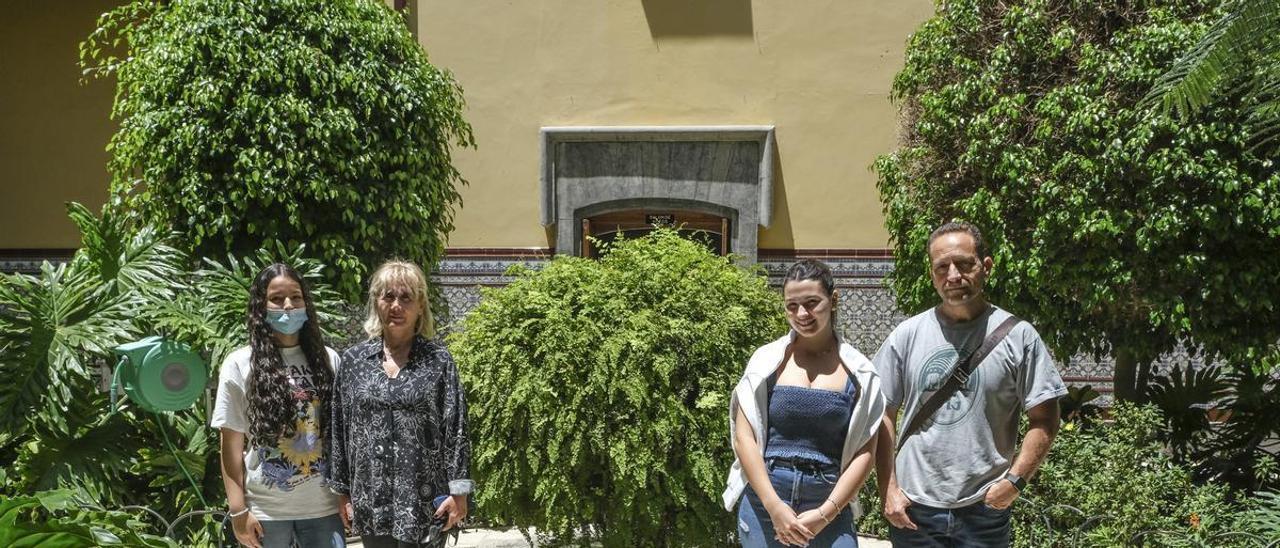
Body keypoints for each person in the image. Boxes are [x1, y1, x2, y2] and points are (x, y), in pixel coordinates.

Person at [872, 221, 1067, 547]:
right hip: (914, 510)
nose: (953, 276)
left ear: (985, 266)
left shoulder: (1018, 337)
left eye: (964, 264)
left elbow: (1045, 418)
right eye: (942, 267)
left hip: (983, 512)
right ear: (932, 274)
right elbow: (881, 416)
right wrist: (888, 489)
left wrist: (1015, 483)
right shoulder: (907, 336)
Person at [724, 259, 886, 547]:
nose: (802, 314)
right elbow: (744, 438)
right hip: (766, 501)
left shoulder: (860, 372)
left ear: (833, 300)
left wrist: (826, 513)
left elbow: (865, 452)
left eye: (812, 302)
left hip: (828, 504)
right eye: (792, 305)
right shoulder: (766, 362)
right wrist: (774, 507)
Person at [326, 260, 472, 548]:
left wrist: (460, 494)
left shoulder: (439, 361)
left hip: (425, 501)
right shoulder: (354, 362)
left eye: (406, 298)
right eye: (388, 296)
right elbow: (339, 430)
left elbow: (456, 430)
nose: (396, 305)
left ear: (420, 306)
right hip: (371, 500)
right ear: (376, 303)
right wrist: (342, 493)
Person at [211, 263, 345, 548]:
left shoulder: (329, 360)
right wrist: (238, 511)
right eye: (276, 298)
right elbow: (230, 447)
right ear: (261, 306)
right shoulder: (239, 364)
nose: (287, 305)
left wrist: (346, 495)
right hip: (265, 513)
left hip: (324, 508)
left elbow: (343, 437)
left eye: (296, 297)